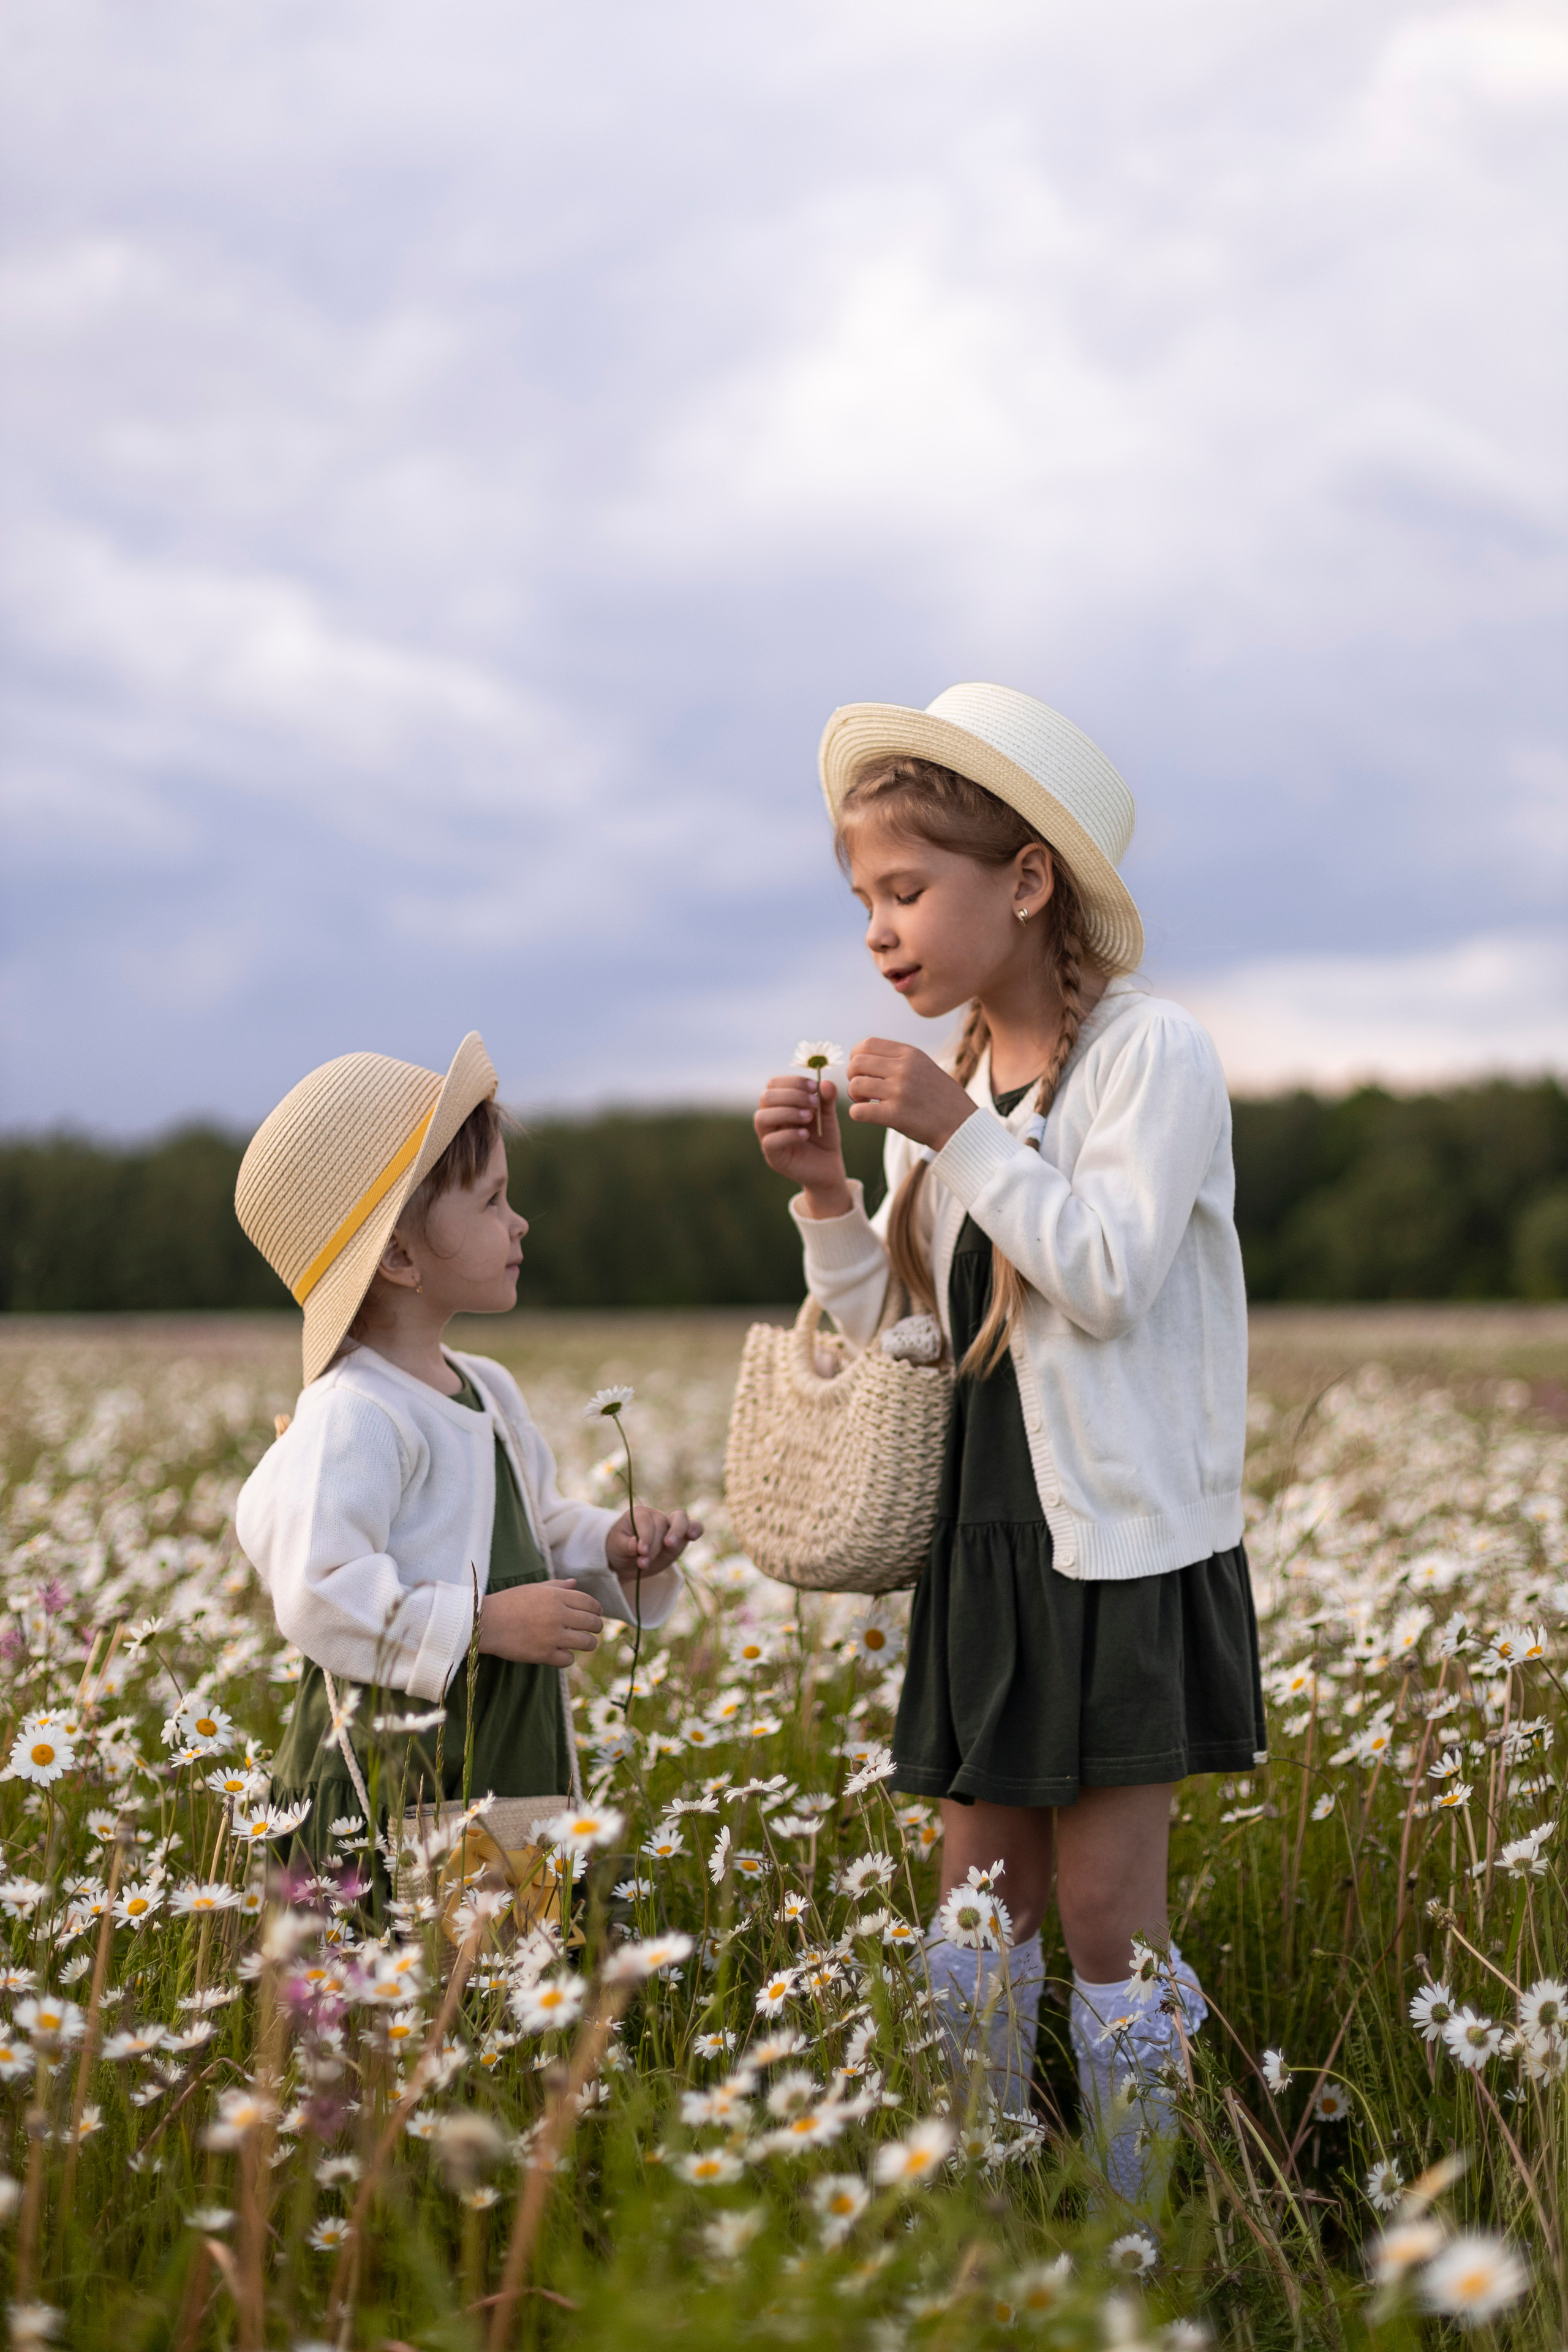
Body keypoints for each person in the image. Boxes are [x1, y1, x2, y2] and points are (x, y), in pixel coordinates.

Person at [754, 684, 1263, 2207]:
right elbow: (906, 1335)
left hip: (1113, 1550)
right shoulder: (955, 1096)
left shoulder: (1146, 1057)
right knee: (977, 1906)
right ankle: (976, 2209)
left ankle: (1132, 2233)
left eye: (905, 890)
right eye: (861, 901)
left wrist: (955, 1134)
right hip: (986, 1553)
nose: (876, 932)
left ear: (1026, 882)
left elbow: (1100, 1276)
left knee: (1109, 1915)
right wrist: (833, 1202)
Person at [233, 1031, 700, 1907]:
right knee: (401, 2002)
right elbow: (316, 1592)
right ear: (401, 1259)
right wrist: (482, 1626)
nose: (518, 1222)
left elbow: (536, 1527)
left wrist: (615, 1546)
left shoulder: (487, 1389)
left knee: (500, 1999)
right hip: (393, 1780)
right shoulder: (355, 1416)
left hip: (499, 1766)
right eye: (490, 1203)